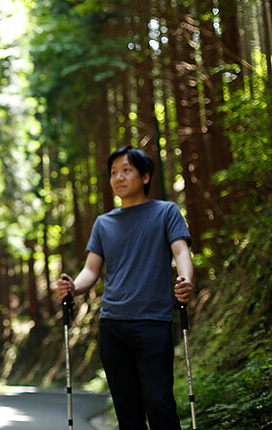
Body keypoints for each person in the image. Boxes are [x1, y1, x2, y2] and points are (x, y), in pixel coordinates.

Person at [56, 145, 195, 430]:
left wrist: (186, 280)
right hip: (113, 326)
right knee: (127, 409)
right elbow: (90, 270)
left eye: (126, 170)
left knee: (158, 402)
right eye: (114, 172)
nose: (118, 177)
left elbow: (181, 252)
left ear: (145, 177)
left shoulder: (166, 212)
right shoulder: (103, 223)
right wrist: (73, 287)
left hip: (153, 322)